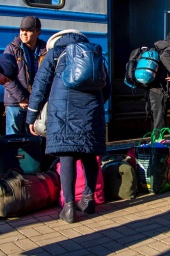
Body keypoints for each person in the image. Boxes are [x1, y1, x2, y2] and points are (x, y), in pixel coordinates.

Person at [26, 29, 111, 224]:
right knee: (90, 154)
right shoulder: (94, 55)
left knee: (67, 155)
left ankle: (69, 206)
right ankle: (88, 199)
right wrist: (94, 105)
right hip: (91, 110)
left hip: (63, 112)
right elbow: (107, 88)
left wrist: (32, 115)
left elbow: (40, 86)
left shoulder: (54, 54)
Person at [3, 16, 47, 135]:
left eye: (28, 31)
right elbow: (6, 77)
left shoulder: (46, 51)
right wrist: (21, 98)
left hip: (37, 104)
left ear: (38, 33)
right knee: (13, 139)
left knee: (35, 139)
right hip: (15, 103)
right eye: (22, 30)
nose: (24, 34)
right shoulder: (12, 49)